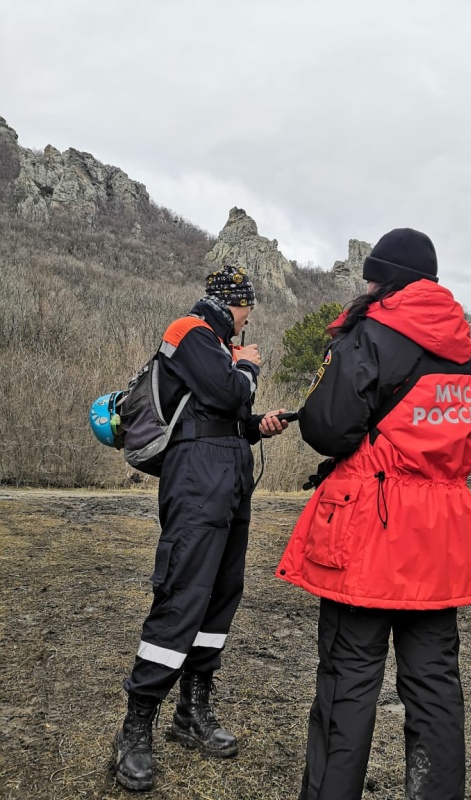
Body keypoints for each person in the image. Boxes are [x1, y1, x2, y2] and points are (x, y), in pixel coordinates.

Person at [276, 229, 471, 800]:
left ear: (383, 278)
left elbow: (326, 429)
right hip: (443, 538)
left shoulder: (368, 336)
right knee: (435, 685)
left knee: (348, 681)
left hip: (369, 536)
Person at [114, 264, 288, 792]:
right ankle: (135, 727)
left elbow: (225, 410)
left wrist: (257, 425)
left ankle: (192, 711)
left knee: (219, 597)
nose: (248, 320)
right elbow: (230, 391)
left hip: (230, 472)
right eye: (247, 309)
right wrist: (249, 368)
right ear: (232, 304)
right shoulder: (189, 331)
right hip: (196, 478)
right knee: (183, 595)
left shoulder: (214, 343)